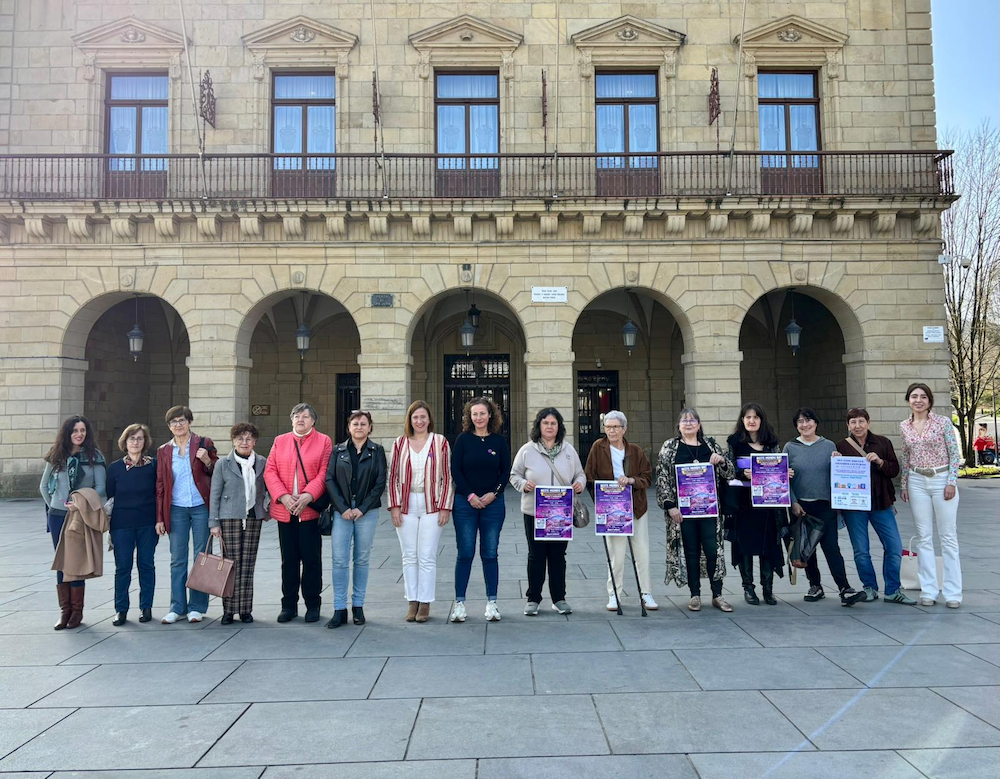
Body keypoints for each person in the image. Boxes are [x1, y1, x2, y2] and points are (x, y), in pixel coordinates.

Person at [783, 408, 864, 607]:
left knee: (831, 547)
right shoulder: (790, 447)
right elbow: (784, 478)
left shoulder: (828, 446)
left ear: (816, 423)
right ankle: (815, 586)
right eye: (800, 422)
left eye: (808, 420)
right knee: (807, 550)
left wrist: (838, 461)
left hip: (826, 505)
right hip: (801, 507)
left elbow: (838, 475)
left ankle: (844, 588)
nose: (805, 425)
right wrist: (793, 502)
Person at [656, 408, 735, 612]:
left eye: (692, 420)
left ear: (699, 425)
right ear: (679, 426)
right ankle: (695, 595)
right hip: (683, 512)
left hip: (709, 510)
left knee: (713, 551)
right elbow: (662, 477)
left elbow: (730, 473)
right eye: (684, 420)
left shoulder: (711, 445)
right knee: (690, 552)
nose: (689, 423)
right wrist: (670, 506)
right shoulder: (670, 447)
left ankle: (717, 594)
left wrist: (722, 461)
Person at [509, 407, 586, 616]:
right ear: (539, 426)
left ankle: (559, 598)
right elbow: (514, 475)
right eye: (545, 423)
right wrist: (524, 485)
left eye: (553, 423)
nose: (549, 427)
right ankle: (533, 598)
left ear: (559, 427)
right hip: (534, 512)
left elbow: (580, 474)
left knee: (558, 556)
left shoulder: (569, 450)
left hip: (561, 512)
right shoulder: (527, 450)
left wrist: (580, 483)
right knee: (536, 555)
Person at [834, 408, 916, 605]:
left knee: (894, 546)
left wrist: (880, 462)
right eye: (853, 422)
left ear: (868, 422)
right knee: (861, 550)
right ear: (848, 425)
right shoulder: (842, 446)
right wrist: (835, 461)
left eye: (861, 421)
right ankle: (869, 587)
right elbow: (836, 477)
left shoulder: (882, 442)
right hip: (854, 506)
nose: (858, 426)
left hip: (882, 503)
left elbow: (894, 470)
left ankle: (893, 590)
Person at [264, 403, 333, 623]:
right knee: (289, 561)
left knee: (312, 561)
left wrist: (308, 495)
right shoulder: (280, 441)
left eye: (305, 416)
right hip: (285, 510)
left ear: (313, 421)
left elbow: (324, 472)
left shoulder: (324, 441)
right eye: (296, 416)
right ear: (291, 419)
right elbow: (270, 471)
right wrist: (283, 496)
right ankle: (288, 606)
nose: (300, 419)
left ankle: (313, 605)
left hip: (309, 510)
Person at [388, 401, 454, 623]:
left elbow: (447, 476)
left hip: (431, 505)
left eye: (423, 417)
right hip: (406, 504)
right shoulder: (400, 443)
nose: (419, 421)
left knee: (426, 555)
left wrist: (445, 506)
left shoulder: (440, 442)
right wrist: (395, 506)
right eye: (415, 417)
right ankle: (412, 601)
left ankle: (425, 602)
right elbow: (392, 476)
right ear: (410, 420)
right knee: (409, 555)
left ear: (429, 419)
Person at [583, 410, 656, 612]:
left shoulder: (635, 450)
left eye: (615, 427)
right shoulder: (598, 447)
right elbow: (589, 477)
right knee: (616, 554)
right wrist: (601, 500)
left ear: (624, 429)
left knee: (641, 551)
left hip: (636, 506)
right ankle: (614, 593)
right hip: (611, 507)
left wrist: (632, 480)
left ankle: (646, 593)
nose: (611, 431)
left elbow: (647, 477)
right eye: (608, 427)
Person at [40, 415, 107, 630]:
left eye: (83, 430)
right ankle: (64, 611)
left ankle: (77, 611)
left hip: (81, 516)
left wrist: (80, 503)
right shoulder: (56, 455)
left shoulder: (94, 456)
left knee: (76, 561)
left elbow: (101, 488)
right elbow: (44, 486)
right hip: (58, 515)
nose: (79, 434)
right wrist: (55, 504)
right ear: (67, 433)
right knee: (62, 560)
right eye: (75, 430)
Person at [900, 383, 963, 608]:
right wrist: (904, 485)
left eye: (923, 397)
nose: (918, 400)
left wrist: (951, 481)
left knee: (948, 537)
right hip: (917, 480)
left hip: (941, 478)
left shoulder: (942, 422)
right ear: (908, 400)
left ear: (929, 401)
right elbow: (906, 457)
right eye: (914, 396)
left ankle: (953, 592)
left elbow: (954, 454)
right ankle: (929, 590)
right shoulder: (904, 426)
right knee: (923, 536)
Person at [449, 397, 511, 623]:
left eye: (482, 413)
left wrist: (494, 493)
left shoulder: (499, 441)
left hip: (493, 505)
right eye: (474, 414)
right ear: (470, 416)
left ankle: (492, 603)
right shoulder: (463, 440)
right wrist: (470, 495)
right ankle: (459, 604)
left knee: (490, 553)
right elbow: (455, 470)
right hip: (465, 504)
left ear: (490, 415)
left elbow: (505, 472)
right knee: (465, 553)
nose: (479, 417)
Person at [325, 410, 387, 628]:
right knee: (339, 560)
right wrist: (343, 508)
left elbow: (380, 482)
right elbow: (329, 479)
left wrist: (362, 508)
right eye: (355, 424)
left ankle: (358, 606)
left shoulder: (377, 451)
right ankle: (339, 608)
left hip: (366, 512)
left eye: (363, 424)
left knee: (361, 559)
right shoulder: (337, 451)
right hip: (341, 512)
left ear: (370, 428)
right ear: (348, 428)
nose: (359, 427)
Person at [156, 405, 218, 624]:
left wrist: (207, 461)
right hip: (176, 508)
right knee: (177, 559)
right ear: (169, 426)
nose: (178, 425)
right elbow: (160, 485)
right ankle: (177, 607)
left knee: (202, 557)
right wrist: (159, 517)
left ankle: (197, 607)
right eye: (173, 422)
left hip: (201, 506)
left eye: (182, 420)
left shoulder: (204, 443)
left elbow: (217, 472)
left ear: (189, 422)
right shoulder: (164, 450)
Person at [209, 423, 269, 625]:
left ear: (255, 442)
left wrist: (268, 508)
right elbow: (215, 494)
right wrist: (213, 522)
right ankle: (228, 610)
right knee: (231, 564)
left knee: (248, 564)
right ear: (233, 441)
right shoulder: (223, 464)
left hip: (253, 517)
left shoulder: (261, 462)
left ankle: (245, 609)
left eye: (249, 438)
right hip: (229, 517)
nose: (244, 442)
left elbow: (268, 488)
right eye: (240, 438)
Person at [726, 403, 785, 606]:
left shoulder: (772, 443)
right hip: (743, 502)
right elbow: (727, 470)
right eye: (748, 417)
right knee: (745, 546)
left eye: (756, 417)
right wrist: (742, 473)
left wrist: (786, 473)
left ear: (762, 420)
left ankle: (768, 589)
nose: (752, 421)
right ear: (742, 420)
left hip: (768, 503)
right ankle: (748, 588)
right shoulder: (734, 442)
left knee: (768, 545)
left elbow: (779, 467)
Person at [105, 424, 157, 626]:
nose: (136, 442)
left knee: (146, 565)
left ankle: (146, 606)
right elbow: (111, 496)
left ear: (145, 442)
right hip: (122, 524)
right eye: (132, 438)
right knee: (123, 567)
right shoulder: (114, 468)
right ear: (125, 442)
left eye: (140, 438)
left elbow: (159, 493)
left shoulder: (153, 466)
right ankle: (121, 610)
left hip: (147, 523)